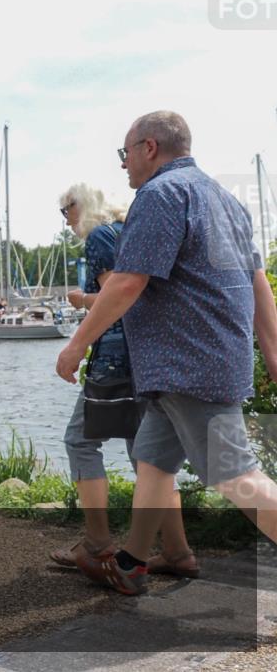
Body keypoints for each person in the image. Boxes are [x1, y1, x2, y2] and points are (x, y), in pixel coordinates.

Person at [56, 110, 277, 595]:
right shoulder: (224, 199)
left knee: (237, 475)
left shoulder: (159, 195)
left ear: (149, 148)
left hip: (188, 365)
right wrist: (273, 352)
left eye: (125, 154)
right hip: (193, 364)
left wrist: (76, 344)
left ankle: (134, 561)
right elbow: (259, 284)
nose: (123, 166)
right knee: (154, 462)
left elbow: (128, 282)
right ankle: (132, 565)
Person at [50, 184, 196, 577]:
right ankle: (178, 553)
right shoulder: (127, 230)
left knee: (80, 441)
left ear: (80, 206)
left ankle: (97, 544)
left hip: (116, 358)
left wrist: (80, 300)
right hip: (149, 356)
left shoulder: (99, 236)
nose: (65, 220)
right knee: (150, 458)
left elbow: (120, 296)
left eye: (65, 210)